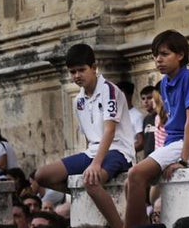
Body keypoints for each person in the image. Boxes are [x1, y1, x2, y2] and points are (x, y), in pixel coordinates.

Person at [35, 44, 135, 228]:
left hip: (118, 150)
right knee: (42, 175)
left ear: (94, 68)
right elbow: (90, 137)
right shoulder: (78, 100)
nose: (77, 76)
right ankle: (79, 194)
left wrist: (96, 164)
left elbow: (110, 131)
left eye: (82, 70)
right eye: (73, 72)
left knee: (91, 182)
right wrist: (91, 160)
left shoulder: (109, 91)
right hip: (93, 151)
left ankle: (119, 226)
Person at [123, 30, 189, 228]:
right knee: (130, 183)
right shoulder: (164, 83)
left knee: (135, 174)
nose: (158, 60)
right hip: (173, 144)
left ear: (180, 55)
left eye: (164, 54)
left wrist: (182, 159)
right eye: (156, 55)